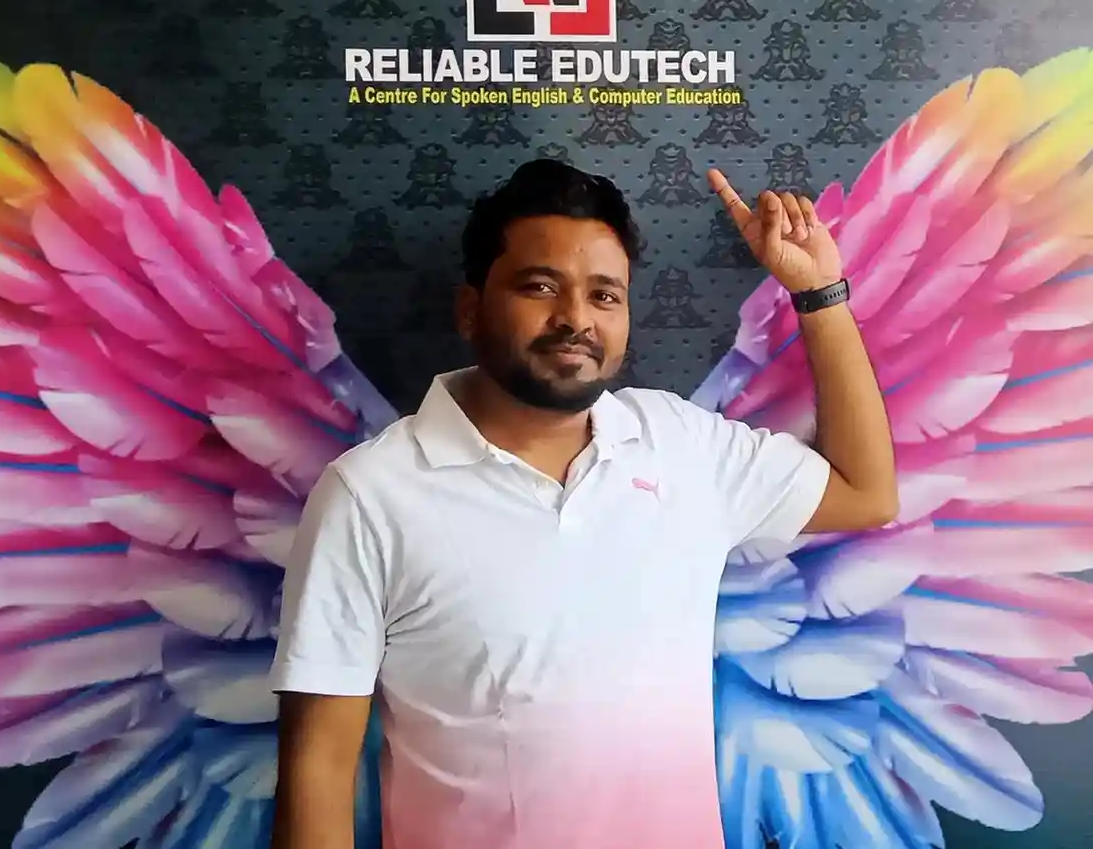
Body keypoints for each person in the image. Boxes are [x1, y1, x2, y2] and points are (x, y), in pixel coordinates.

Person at [267, 159, 897, 849]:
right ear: (470, 309)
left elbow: (865, 493)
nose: (575, 319)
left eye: (604, 296)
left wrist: (818, 295)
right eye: (540, 287)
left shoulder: (683, 444)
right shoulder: (370, 495)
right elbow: (319, 766)